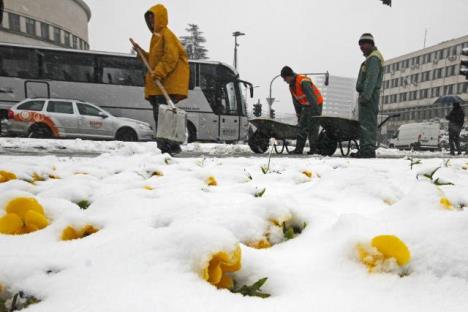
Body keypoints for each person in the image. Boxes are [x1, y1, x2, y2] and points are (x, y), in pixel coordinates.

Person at [133, 4, 189, 154]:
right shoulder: (156, 37)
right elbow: (154, 60)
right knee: (162, 117)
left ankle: (167, 147)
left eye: (153, 18)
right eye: (149, 19)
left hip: (167, 84)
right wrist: (142, 54)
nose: (151, 22)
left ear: (160, 18)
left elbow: (171, 57)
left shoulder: (166, 34)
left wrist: (159, 72)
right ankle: (169, 146)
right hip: (159, 85)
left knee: (163, 117)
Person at [353, 33, 384, 158]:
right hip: (367, 95)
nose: (362, 47)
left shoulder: (373, 58)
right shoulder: (370, 58)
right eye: (360, 45)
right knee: (365, 123)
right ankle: (365, 148)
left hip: (369, 96)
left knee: (368, 123)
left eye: (364, 44)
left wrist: (365, 96)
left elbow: (371, 79)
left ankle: (368, 149)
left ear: (371, 44)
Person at [281, 66, 323, 155]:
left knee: (313, 127)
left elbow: (312, 97)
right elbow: (296, 102)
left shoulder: (303, 81)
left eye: (285, 78)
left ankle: (314, 149)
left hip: (316, 104)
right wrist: (299, 115)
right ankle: (298, 149)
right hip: (306, 106)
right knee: (301, 127)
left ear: (290, 75)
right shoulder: (291, 86)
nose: (284, 81)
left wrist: (316, 114)